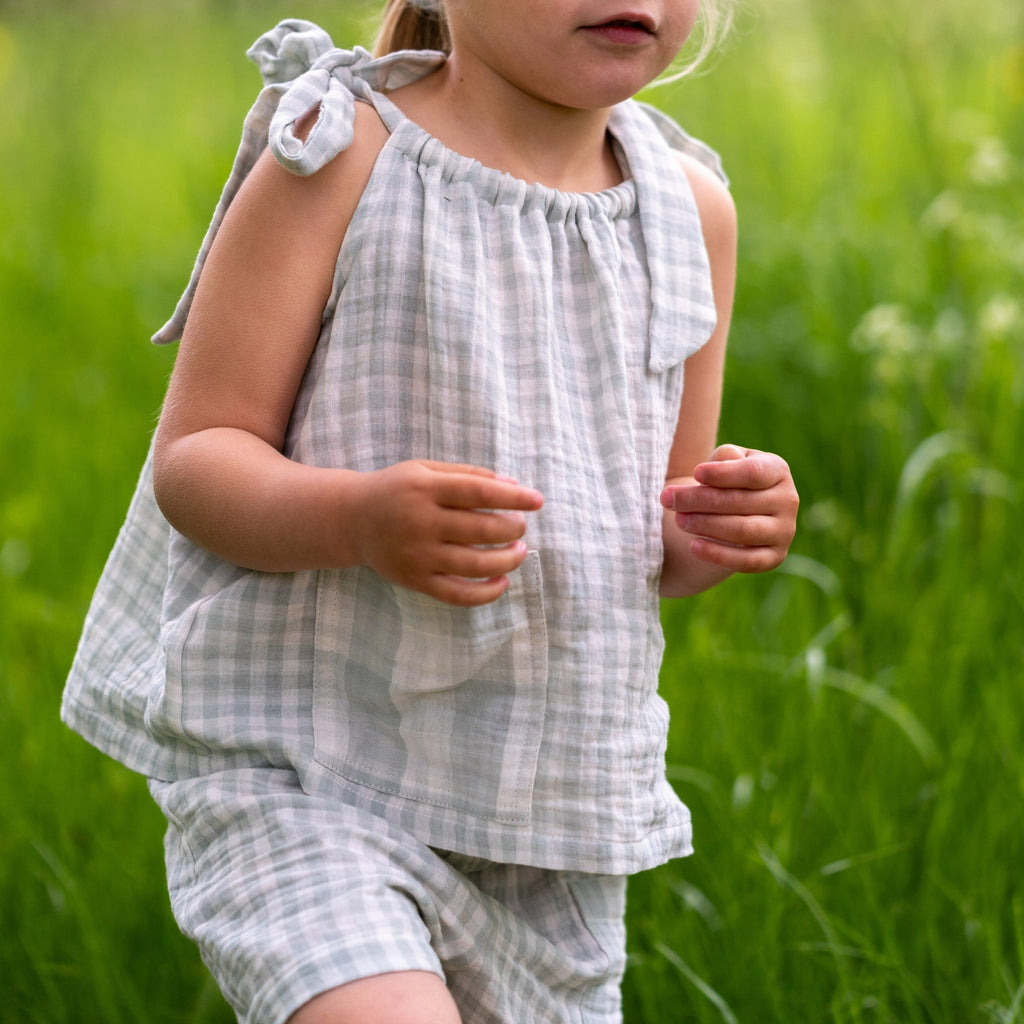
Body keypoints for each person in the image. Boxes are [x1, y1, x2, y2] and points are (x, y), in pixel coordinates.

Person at [62, 1, 799, 1021]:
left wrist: (722, 525)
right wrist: (355, 518)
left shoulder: (688, 209)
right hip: (309, 770)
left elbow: (657, 533)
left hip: (542, 816)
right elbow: (197, 459)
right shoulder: (343, 152)